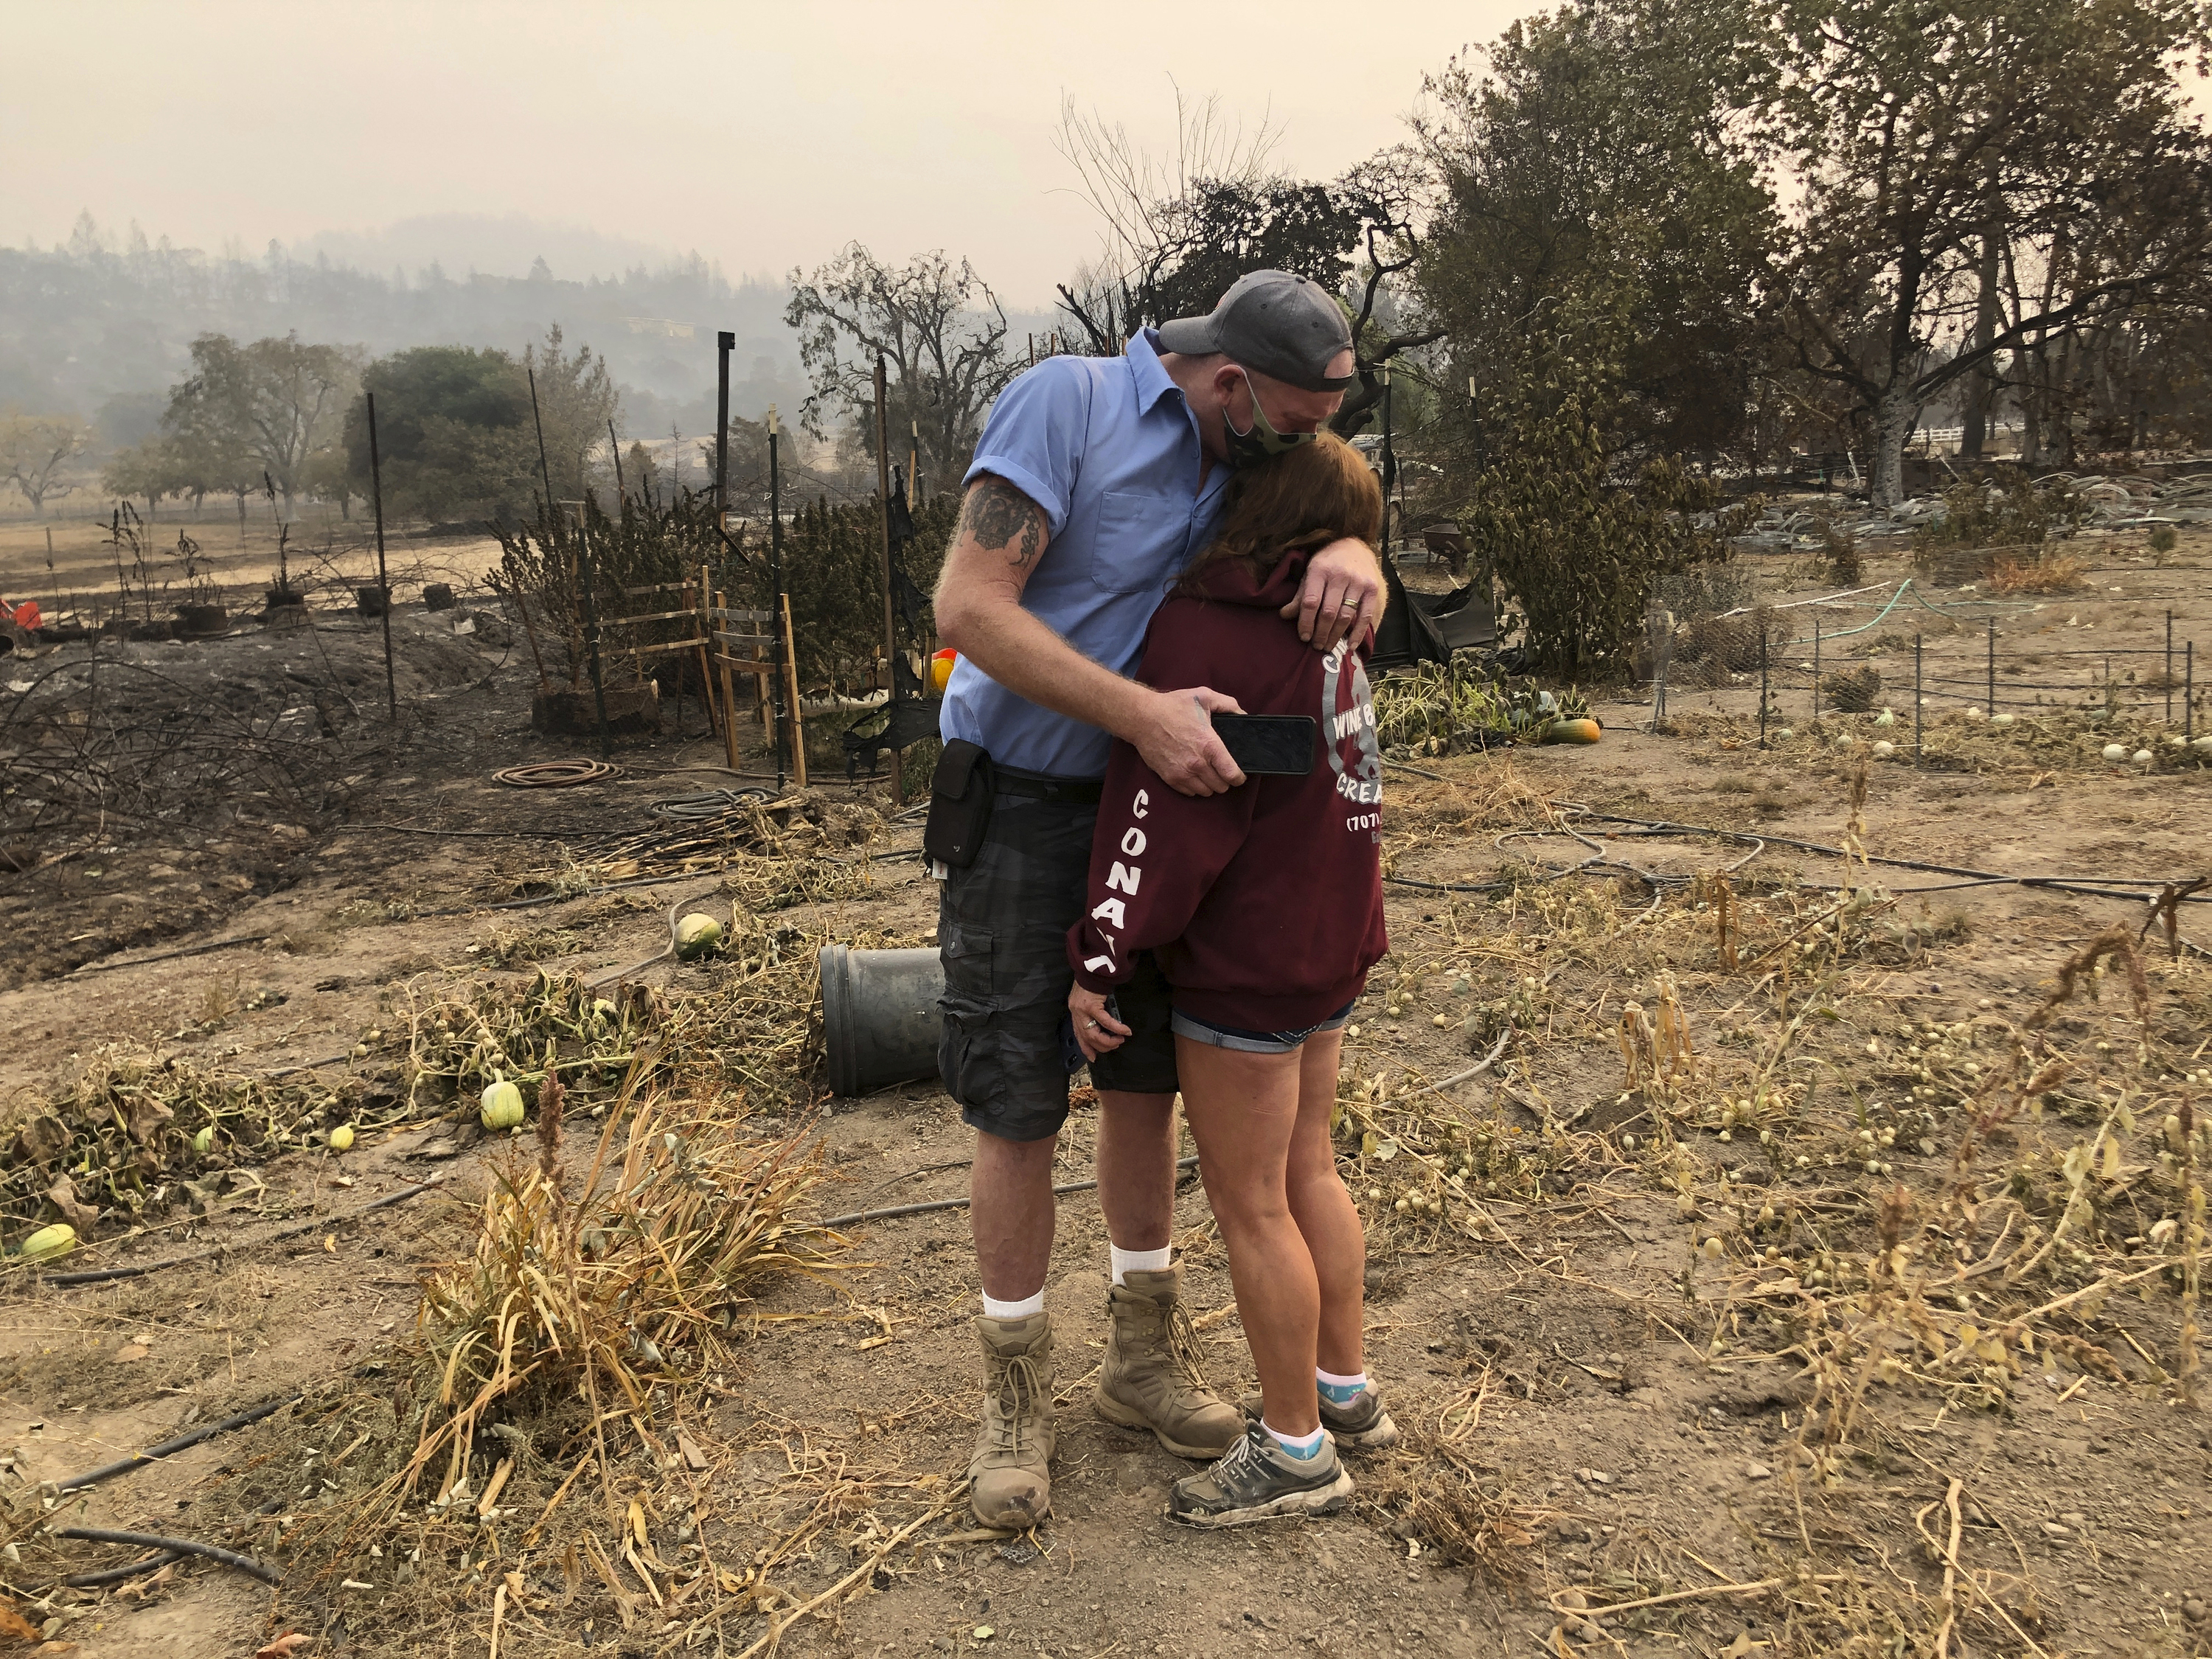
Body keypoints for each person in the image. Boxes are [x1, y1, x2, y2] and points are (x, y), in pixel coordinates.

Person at [929, 271, 1385, 1528]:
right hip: (1026, 799)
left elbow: (1320, 502)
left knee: (1143, 1088)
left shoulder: (1237, 455)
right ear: (1230, 385)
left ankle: (1139, 1357)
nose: (1298, 447)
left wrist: (1359, 548)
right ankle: (1015, 1391)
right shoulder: (1063, 409)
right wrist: (1143, 715)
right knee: (1019, 1096)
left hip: (1161, 810)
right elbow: (966, 608)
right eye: (1290, 425)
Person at [1066, 432, 1397, 1527]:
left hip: (1248, 965)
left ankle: (1294, 1447)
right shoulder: (1338, 633)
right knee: (1312, 1169)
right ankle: (1346, 1391)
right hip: (1329, 949)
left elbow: (1159, 824)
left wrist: (1100, 959)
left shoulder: (1205, 633)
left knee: (1251, 1202)